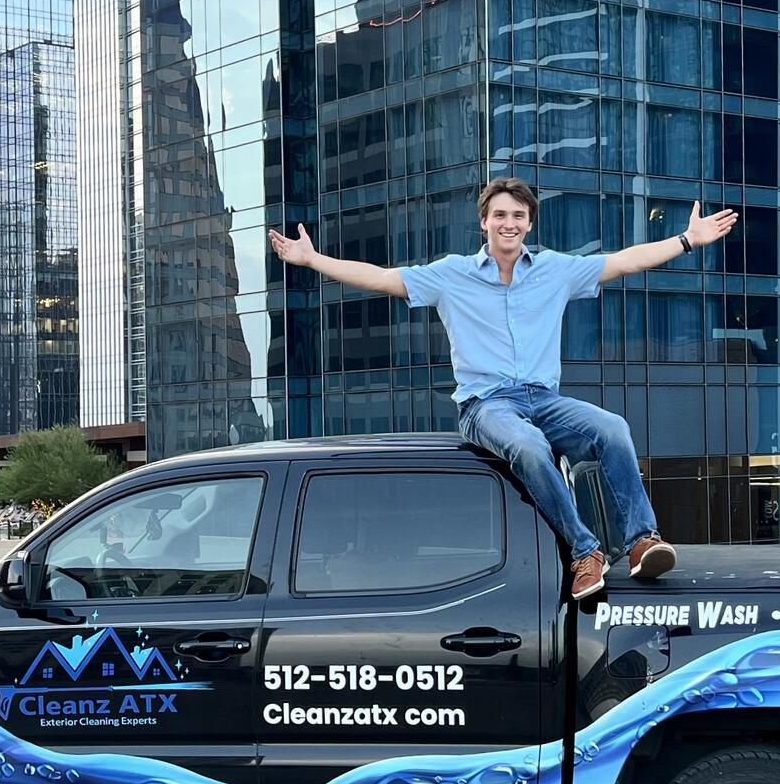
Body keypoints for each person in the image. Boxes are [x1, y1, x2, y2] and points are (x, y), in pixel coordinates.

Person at [269, 177, 737, 601]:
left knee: (612, 428)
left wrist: (686, 240)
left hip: (545, 400)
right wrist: (311, 259)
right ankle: (584, 552)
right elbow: (382, 277)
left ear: (529, 222)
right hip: (485, 405)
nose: (508, 223)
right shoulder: (452, 274)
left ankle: (641, 541)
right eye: (499, 215)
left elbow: (622, 262)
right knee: (529, 448)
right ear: (484, 223)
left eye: (517, 215)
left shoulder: (555, 270)